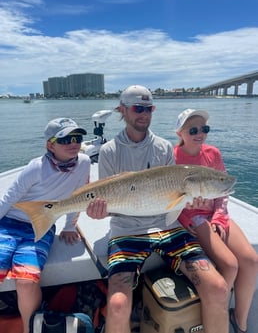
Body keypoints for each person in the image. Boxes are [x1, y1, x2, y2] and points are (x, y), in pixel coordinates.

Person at [87, 85, 230, 333]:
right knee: (118, 304)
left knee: (218, 287)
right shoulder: (109, 151)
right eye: (138, 108)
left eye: (149, 108)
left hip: (168, 227)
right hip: (127, 231)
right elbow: (110, 202)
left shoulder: (163, 147)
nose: (144, 114)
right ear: (122, 110)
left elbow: (172, 199)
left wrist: (189, 200)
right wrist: (99, 211)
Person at [0, 117, 91, 333]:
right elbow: (9, 199)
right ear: (50, 145)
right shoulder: (36, 168)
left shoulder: (85, 163)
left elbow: (77, 196)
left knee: (26, 280)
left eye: (77, 138)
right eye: (65, 139)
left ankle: (27, 329)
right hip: (10, 223)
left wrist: (70, 226)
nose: (73, 143)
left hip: (42, 225)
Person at [174, 108, 258, 333]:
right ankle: (216, 313)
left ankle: (239, 322)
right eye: (193, 129)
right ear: (179, 133)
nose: (200, 133)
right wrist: (183, 216)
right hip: (194, 218)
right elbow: (170, 197)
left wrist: (220, 218)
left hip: (215, 214)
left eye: (204, 129)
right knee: (230, 265)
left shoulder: (213, 153)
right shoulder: (171, 158)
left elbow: (223, 191)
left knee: (251, 260)